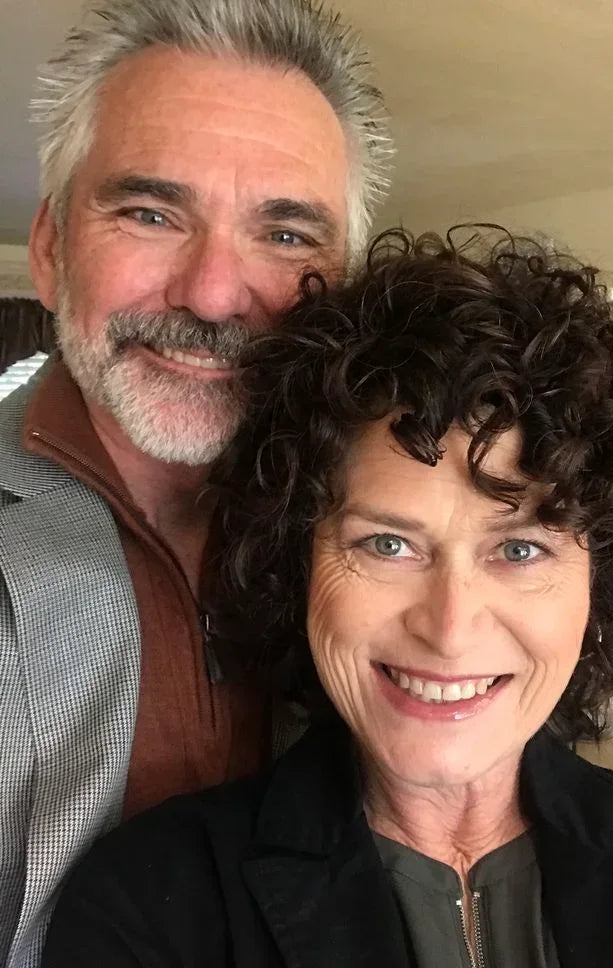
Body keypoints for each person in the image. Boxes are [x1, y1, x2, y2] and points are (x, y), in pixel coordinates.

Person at [42, 228, 613, 967]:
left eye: (519, 550)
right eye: (387, 545)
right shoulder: (154, 902)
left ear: (599, 587)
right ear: (298, 568)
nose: (449, 629)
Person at [0, 0, 391, 963]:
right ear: (50, 251)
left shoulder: (381, 520)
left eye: (287, 235)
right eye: (150, 213)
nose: (214, 295)